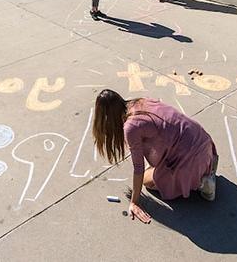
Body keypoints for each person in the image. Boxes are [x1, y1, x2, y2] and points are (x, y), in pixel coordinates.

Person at [92, 90, 218, 224]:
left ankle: (201, 183)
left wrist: (134, 202)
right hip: (204, 143)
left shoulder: (130, 127)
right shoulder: (142, 102)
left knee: (147, 180)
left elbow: (138, 168)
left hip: (191, 161)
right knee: (156, 161)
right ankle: (207, 167)